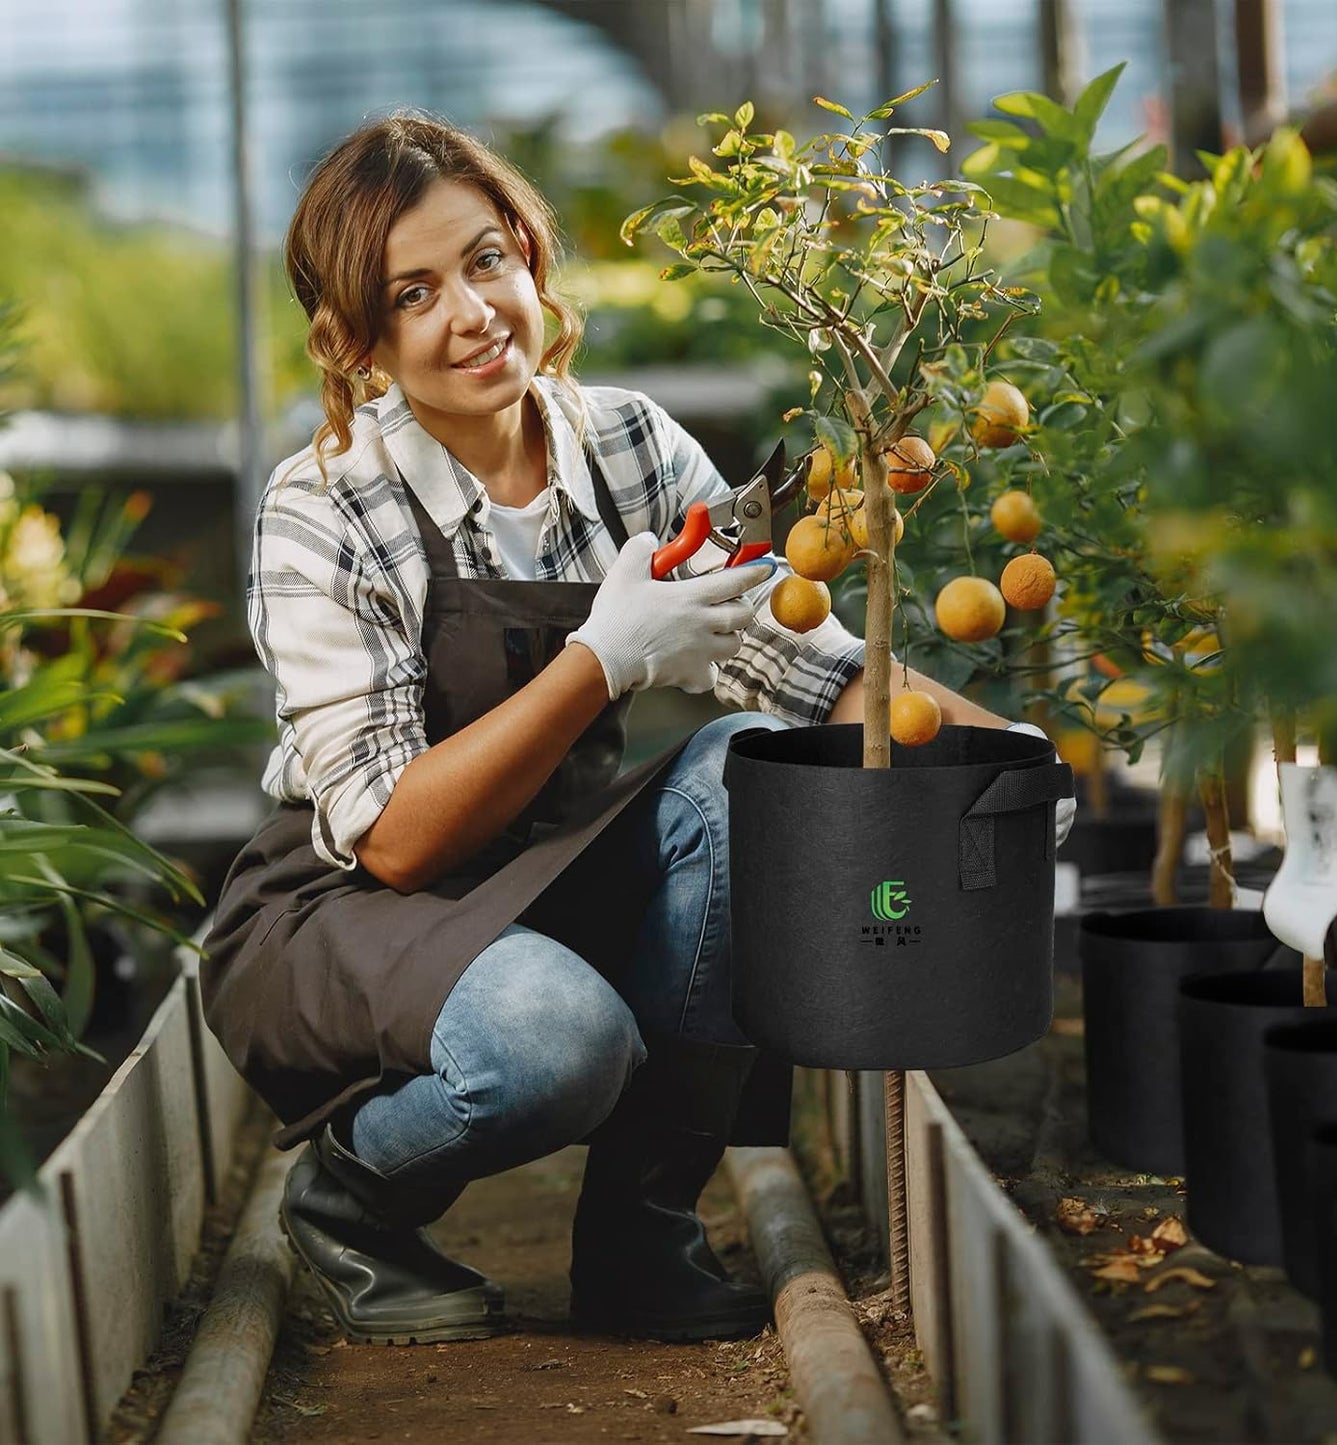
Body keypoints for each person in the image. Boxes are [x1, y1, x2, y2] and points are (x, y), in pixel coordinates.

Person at [202, 111, 1074, 1349]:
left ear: (528, 256)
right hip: (343, 905)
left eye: (486, 260)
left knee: (743, 771)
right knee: (556, 1040)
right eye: (415, 292)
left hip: (543, 862)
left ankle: (638, 1235)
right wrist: (602, 656)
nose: (473, 313)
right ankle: (352, 1196)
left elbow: (813, 661)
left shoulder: (623, 446)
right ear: (359, 340)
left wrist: (1003, 769)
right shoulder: (326, 505)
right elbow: (394, 838)